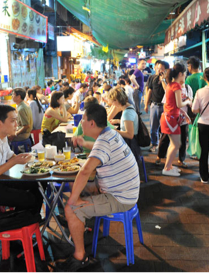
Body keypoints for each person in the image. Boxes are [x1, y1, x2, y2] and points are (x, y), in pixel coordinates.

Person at [59, 104, 140, 272]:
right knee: (80, 188)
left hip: (120, 198)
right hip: (125, 190)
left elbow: (85, 171)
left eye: (83, 120)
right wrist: (83, 142)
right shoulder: (109, 134)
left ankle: (80, 256)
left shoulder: (104, 141)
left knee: (72, 208)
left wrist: (73, 201)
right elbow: (100, 151)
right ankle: (76, 223)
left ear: (92, 123)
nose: (80, 123)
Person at [160, 64, 192, 177]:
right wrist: (188, 102)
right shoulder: (176, 86)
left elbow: (173, 104)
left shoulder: (171, 85)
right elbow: (179, 104)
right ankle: (167, 168)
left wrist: (184, 114)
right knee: (176, 144)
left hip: (170, 118)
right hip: (171, 119)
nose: (185, 76)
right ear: (180, 74)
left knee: (174, 144)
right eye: (185, 74)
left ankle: (168, 166)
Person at [107, 87, 142, 175]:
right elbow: (129, 122)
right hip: (131, 143)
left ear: (117, 100)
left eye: (112, 101)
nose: (112, 104)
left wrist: (113, 130)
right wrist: (118, 121)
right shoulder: (129, 107)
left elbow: (130, 135)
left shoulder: (127, 113)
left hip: (130, 144)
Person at [146, 61, 169, 153]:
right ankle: (154, 144)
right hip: (154, 105)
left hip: (165, 107)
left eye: (161, 68)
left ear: (166, 69)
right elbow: (149, 91)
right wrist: (146, 104)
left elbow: (167, 91)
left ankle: (163, 146)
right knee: (153, 127)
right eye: (158, 68)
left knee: (164, 128)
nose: (159, 70)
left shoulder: (168, 79)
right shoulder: (152, 78)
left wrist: (163, 80)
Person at [179, 75, 194, 168]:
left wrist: (189, 101)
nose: (183, 77)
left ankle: (181, 159)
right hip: (173, 118)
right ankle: (160, 156)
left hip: (184, 119)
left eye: (183, 75)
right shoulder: (174, 88)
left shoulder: (188, 88)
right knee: (167, 139)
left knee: (183, 140)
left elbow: (191, 102)